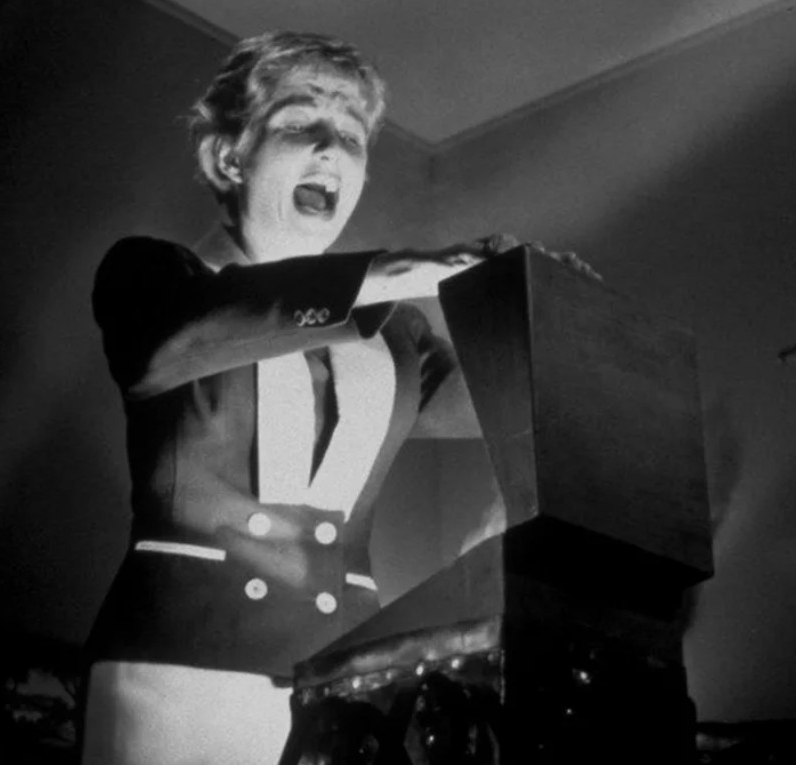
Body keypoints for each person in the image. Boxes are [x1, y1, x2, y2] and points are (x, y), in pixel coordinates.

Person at [81, 31, 508, 765]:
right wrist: (398, 271)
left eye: (352, 135)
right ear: (228, 157)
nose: (331, 149)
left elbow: (503, 406)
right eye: (300, 121)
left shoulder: (395, 336)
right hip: (177, 672)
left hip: (343, 681)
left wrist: (542, 304)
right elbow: (167, 345)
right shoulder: (156, 277)